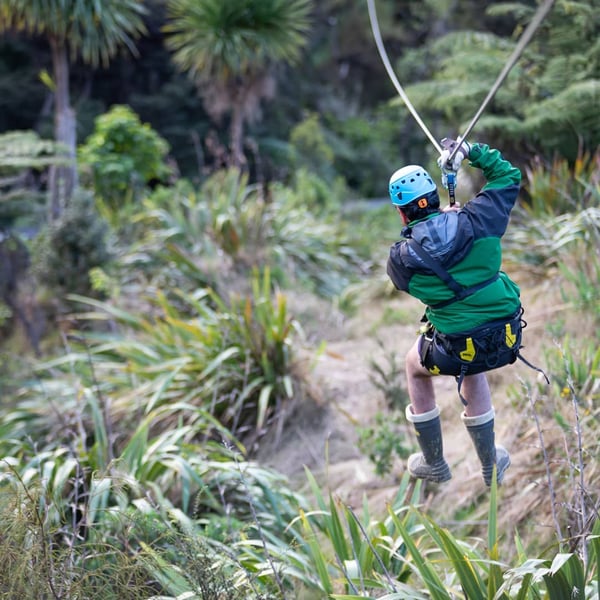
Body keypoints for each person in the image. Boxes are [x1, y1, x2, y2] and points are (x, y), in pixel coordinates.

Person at [386, 139, 525, 487]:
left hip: (457, 345)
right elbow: (508, 175)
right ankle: (490, 462)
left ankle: (434, 461)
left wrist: (438, 229)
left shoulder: (402, 259)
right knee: (471, 365)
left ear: (401, 213)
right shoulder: (480, 218)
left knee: (414, 366)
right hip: (506, 335)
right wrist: (470, 152)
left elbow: (406, 282)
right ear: (435, 196)